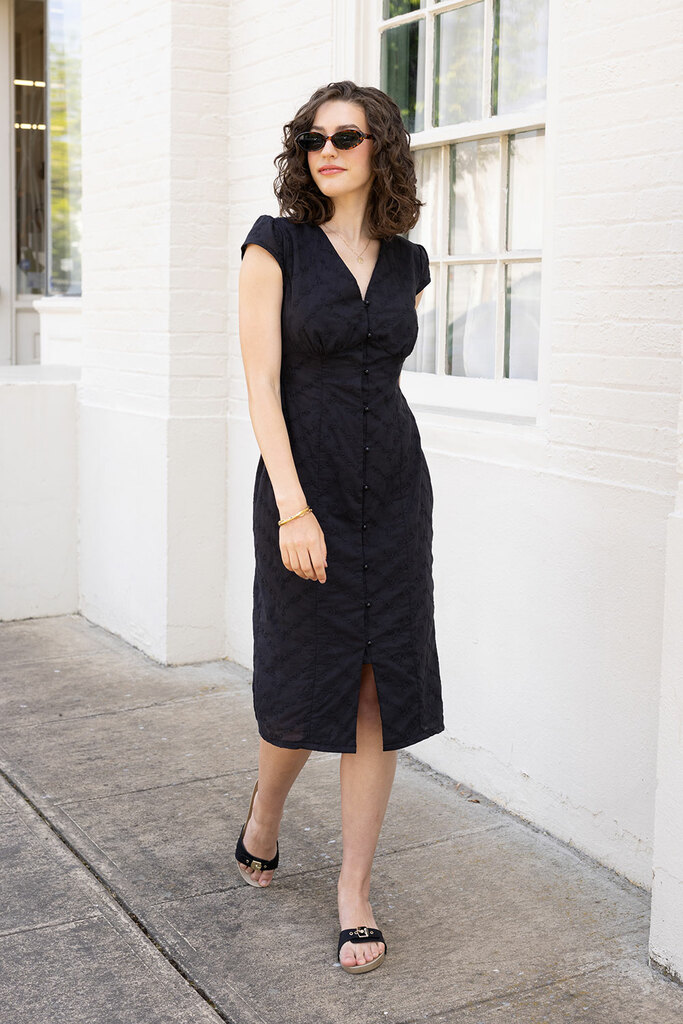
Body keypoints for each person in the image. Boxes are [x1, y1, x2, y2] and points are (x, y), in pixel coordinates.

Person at [236, 79, 445, 975]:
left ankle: (353, 890)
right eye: (313, 138)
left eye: (347, 137)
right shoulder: (273, 245)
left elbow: (379, 373)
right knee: (298, 682)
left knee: (376, 689)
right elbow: (261, 386)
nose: (327, 150)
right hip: (302, 486)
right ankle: (265, 815)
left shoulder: (410, 263)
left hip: (393, 493)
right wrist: (292, 506)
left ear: (379, 149)